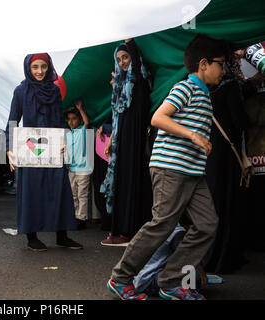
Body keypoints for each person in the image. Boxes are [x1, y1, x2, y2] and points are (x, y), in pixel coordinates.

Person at [107, 34, 226, 300]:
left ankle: (171, 282)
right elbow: (159, 117)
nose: (224, 70)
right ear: (204, 64)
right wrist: (193, 135)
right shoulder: (185, 88)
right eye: (221, 63)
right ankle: (121, 278)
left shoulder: (206, 96)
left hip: (194, 172)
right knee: (162, 223)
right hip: (170, 168)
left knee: (207, 225)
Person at [6, 53, 82, 252]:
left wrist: (63, 141)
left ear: (49, 68)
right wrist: (9, 149)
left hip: (52, 147)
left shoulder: (55, 91)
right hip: (29, 148)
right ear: (28, 69)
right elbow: (13, 120)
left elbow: (59, 121)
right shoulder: (21, 91)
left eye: (44, 67)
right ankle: (31, 237)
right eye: (35, 67)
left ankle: (62, 235)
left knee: (59, 189)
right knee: (31, 191)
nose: (40, 72)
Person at [205, 47, 254, 273]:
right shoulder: (231, 87)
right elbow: (240, 121)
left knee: (212, 205)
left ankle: (209, 257)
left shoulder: (203, 90)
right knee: (228, 204)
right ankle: (226, 257)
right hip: (228, 155)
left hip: (209, 155)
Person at [100, 38, 153, 246]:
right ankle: (120, 230)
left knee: (132, 181)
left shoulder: (139, 79)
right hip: (122, 140)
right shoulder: (120, 86)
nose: (123, 62)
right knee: (120, 182)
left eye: (126, 57)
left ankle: (129, 231)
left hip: (135, 140)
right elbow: (117, 116)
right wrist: (111, 140)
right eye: (119, 59)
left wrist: (130, 40)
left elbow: (137, 63)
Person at [65, 99, 92, 230]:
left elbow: (87, 122)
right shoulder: (68, 134)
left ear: (79, 120)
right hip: (72, 168)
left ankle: (82, 218)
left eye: (74, 119)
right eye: (69, 119)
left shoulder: (83, 131)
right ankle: (75, 216)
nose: (71, 121)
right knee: (73, 193)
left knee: (82, 194)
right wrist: (66, 163)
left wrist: (80, 109)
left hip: (84, 168)